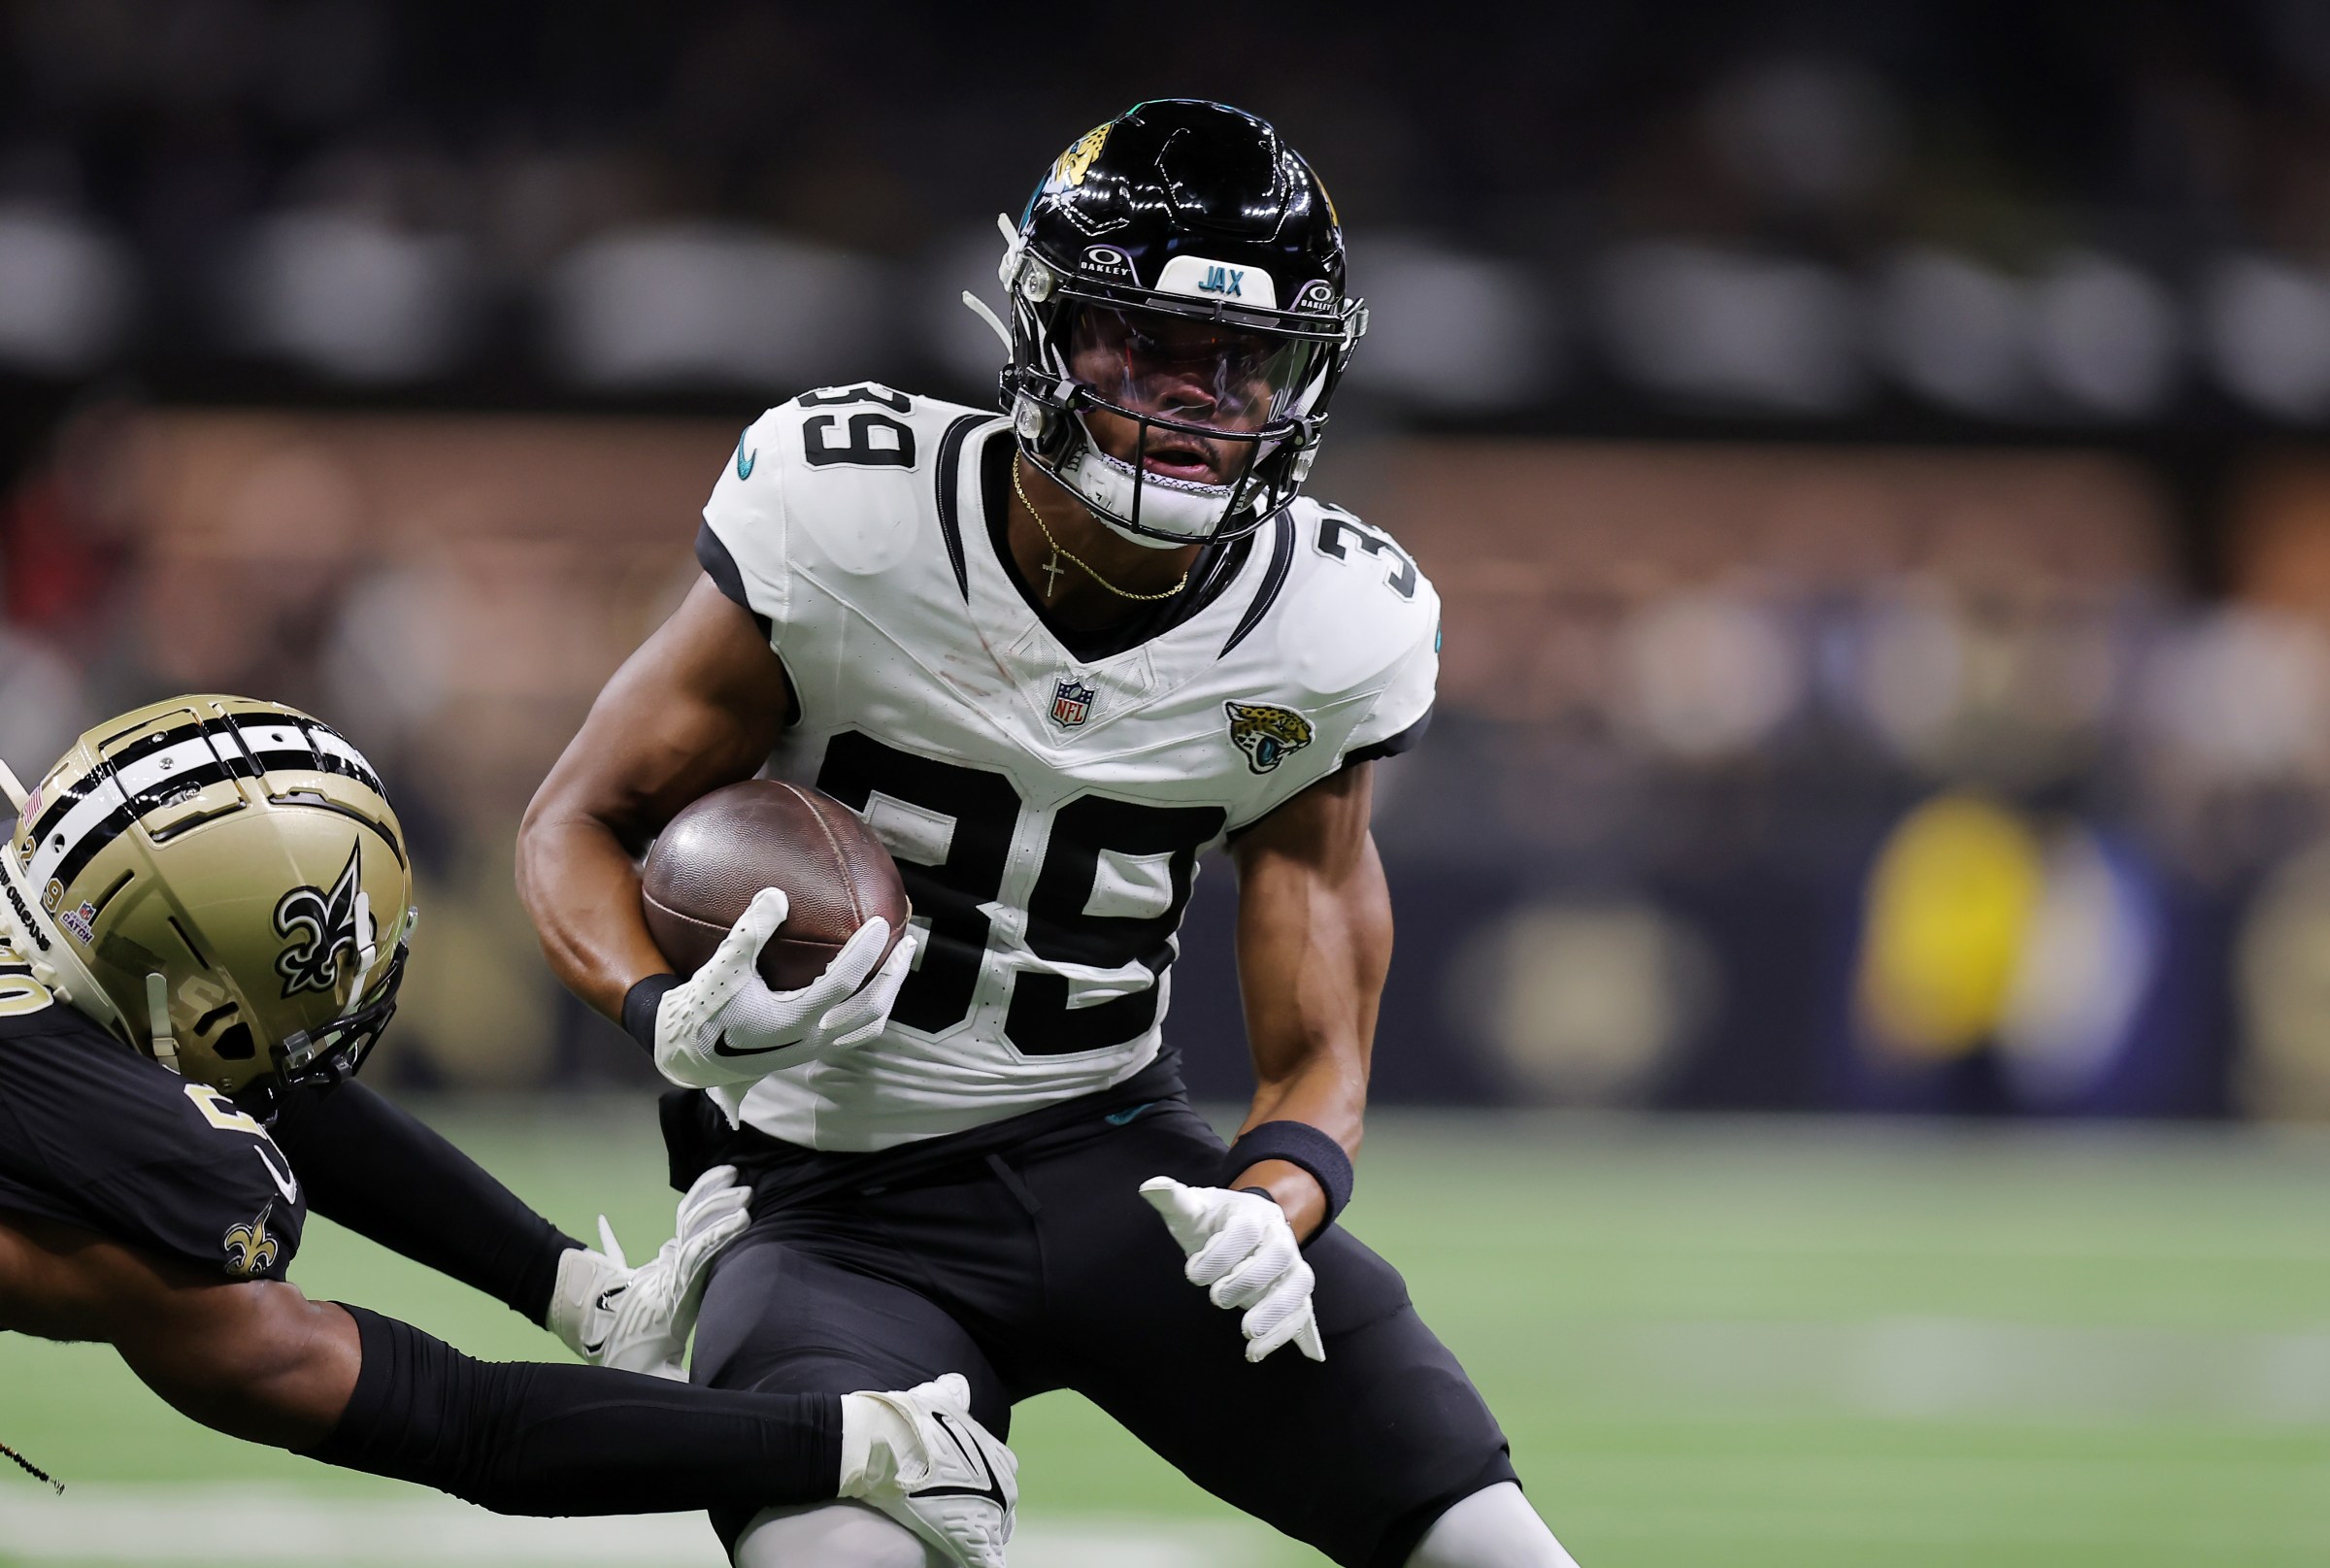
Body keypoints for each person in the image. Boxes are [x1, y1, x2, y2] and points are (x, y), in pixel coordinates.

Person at [517, 100, 1580, 1568]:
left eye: (1243, 365)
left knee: (1497, 1550)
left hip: (1124, 1166)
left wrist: (1274, 1208)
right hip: (836, 1204)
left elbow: (1320, 1045)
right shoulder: (848, 511)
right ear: (1041, 329)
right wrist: (660, 1005)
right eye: (1144, 345)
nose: (1196, 400)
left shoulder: (1332, 625)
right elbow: (576, 817)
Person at [0, 695, 1015, 1568]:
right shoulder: (158, 1178)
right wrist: (852, 1443)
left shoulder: (55, 945)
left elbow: (247, 1073)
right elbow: (460, 1425)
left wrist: (576, 1292)